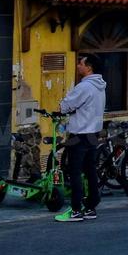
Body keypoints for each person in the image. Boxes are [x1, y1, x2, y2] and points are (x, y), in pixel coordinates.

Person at [55, 54, 106, 222]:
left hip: (80, 134)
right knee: (90, 170)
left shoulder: (84, 87)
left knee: (74, 171)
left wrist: (62, 107)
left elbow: (65, 106)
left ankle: (76, 210)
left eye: (81, 63)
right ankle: (91, 206)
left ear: (89, 67)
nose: (78, 66)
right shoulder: (100, 86)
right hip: (94, 133)